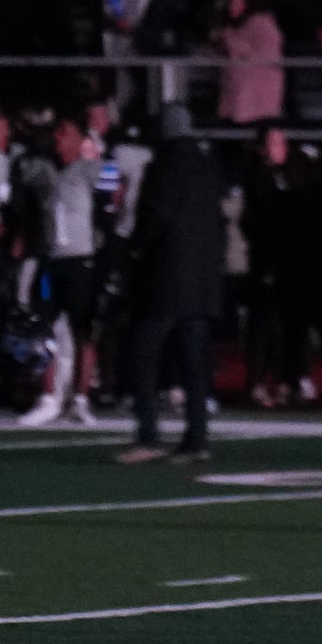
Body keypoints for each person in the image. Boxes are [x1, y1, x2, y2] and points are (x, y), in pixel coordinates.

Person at [117, 102, 225, 463]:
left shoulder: (162, 168)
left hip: (165, 277)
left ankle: (148, 435)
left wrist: (135, 251)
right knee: (194, 363)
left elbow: (155, 218)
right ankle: (196, 437)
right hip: (203, 280)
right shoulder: (209, 168)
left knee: (144, 354)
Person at [15, 111, 112, 426]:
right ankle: (49, 398)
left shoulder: (89, 170)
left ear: (81, 138)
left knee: (84, 331)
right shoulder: (45, 170)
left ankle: (80, 400)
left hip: (80, 260)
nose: (57, 137)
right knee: (43, 329)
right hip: (51, 260)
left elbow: (114, 193)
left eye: (64, 131)